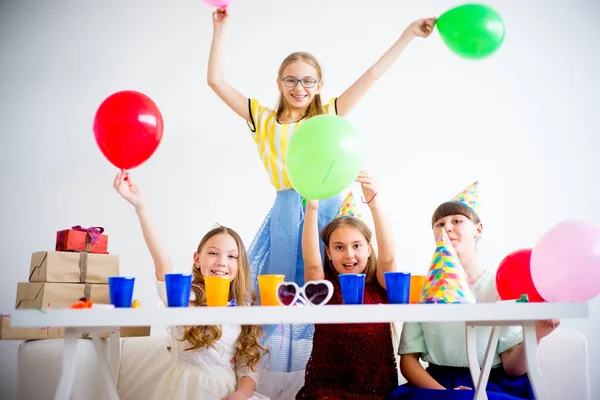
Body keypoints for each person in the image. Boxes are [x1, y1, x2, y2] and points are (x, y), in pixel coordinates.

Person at [207, 5, 436, 373]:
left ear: (319, 85)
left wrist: (408, 35)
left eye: (309, 81)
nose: (300, 88)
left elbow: (372, 76)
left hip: (331, 209)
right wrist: (220, 29)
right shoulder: (263, 119)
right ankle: (271, 374)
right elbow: (216, 81)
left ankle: (344, 367)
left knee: (336, 291)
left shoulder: (328, 114)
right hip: (286, 212)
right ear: (279, 83)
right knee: (280, 295)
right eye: (292, 80)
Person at [390, 182, 560, 400]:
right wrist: (447, 394)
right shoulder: (425, 291)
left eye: (457, 221)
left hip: (493, 384)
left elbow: (513, 368)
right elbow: (409, 360)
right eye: (439, 224)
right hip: (435, 385)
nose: (447, 228)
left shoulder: (500, 288)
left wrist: (537, 333)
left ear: (478, 229)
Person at [113, 170, 269, 400]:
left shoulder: (243, 311)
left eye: (231, 256)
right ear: (198, 259)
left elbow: (248, 369)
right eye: (213, 253)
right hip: (182, 392)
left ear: (240, 265)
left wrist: (240, 395)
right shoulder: (182, 298)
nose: (221, 262)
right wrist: (141, 207)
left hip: (226, 393)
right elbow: (162, 261)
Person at [296, 171, 399, 399]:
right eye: (339, 247)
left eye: (356, 245)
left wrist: (375, 205)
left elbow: (389, 259)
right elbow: (312, 263)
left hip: (376, 391)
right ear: (329, 253)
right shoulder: (323, 290)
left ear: (369, 249)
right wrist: (312, 208)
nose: (349, 254)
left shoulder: (382, 284)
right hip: (326, 390)